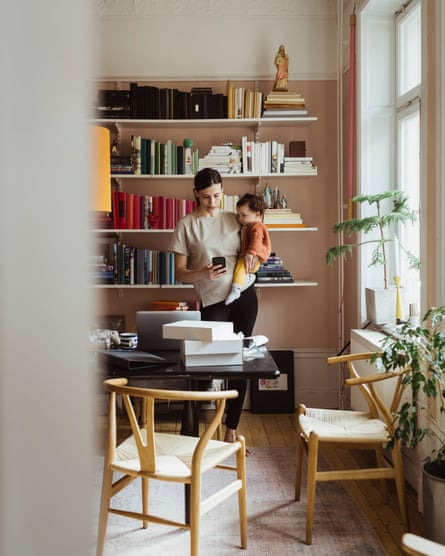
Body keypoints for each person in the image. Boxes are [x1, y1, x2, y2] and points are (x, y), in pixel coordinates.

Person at [168, 168, 259, 443]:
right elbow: (179, 272)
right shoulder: (186, 225)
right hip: (212, 301)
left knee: (241, 361)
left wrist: (255, 257)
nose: (213, 202)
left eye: (217, 195)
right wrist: (202, 274)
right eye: (206, 196)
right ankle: (192, 433)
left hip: (245, 296)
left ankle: (231, 429)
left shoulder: (235, 218)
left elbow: (256, 238)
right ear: (196, 194)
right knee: (204, 366)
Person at [225, 194, 272, 305]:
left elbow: (256, 239)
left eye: (244, 215)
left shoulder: (256, 226)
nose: (240, 219)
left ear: (258, 215)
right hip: (252, 255)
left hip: (253, 256)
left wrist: (250, 253)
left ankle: (236, 289)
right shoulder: (249, 226)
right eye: (239, 215)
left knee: (240, 267)